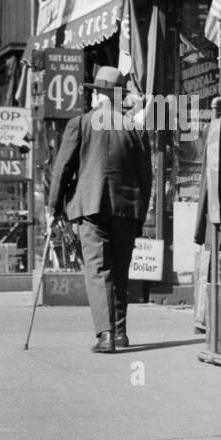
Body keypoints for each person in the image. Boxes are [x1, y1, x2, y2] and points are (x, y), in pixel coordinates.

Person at [46, 66, 152, 353]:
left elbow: (63, 169)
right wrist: (141, 214)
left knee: (98, 269)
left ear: (98, 96)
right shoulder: (134, 128)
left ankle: (106, 334)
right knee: (119, 271)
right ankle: (120, 333)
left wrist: (53, 206)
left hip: (90, 205)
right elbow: (146, 177)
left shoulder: (79, 124)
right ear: (117, 97)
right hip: (126, 209)